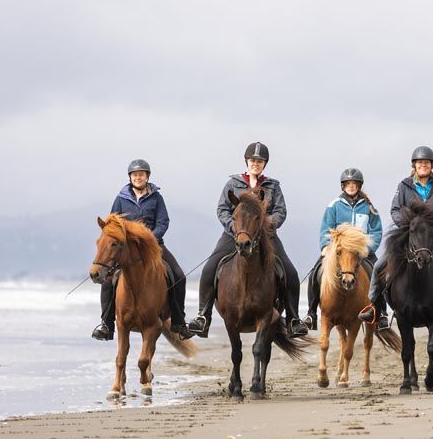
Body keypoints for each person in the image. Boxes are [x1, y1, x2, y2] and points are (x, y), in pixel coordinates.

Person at [187, 142, 308, 338]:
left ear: (264, 164)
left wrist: (268, 224)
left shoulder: (272, 186)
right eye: (253, 160)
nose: (256, 164)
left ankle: (293, 319)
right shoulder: (233, 184)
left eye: (259, 161)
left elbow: (280, 211)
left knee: (290, 271)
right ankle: (203, 316)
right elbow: (222, 210)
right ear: (247, 161)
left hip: (266, 236)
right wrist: (235, 228)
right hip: (235, 234)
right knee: (210, 268)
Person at [358, 146, 433, 330]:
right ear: (414, 165)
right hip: (409, 236)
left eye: (426, 163)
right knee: (379, 266)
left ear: (431, 165)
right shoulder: (404, 185)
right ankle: (374, 308)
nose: (423, 165)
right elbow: (394, 210)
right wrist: (408, 225)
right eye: (420, 163)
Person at [92, 159, 192, 340]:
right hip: (127, 250)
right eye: (135, 175)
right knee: (108, 280)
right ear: (130, 177)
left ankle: (179, 321)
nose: (138, 177)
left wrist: (150, 239)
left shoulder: (156, 198)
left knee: (178, 275)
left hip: (154, 245)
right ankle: (106, 324)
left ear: (147, 177)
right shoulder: (121, 199)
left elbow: (163, 222)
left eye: (141, 174)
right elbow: (112, 224)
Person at [303, 168, 383, 329]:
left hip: (362, 251)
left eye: (354, 183)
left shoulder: (369, 206)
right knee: (315, 272)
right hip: (338, 252)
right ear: (343, 186)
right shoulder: (334, 206)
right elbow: (326, 229)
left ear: (359, 186)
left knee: (380, 274)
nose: (351, 186)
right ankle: (311, 313)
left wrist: (368, 248)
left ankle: (381, 314)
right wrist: (326, 247)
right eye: (348, 183)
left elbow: (376, 230)